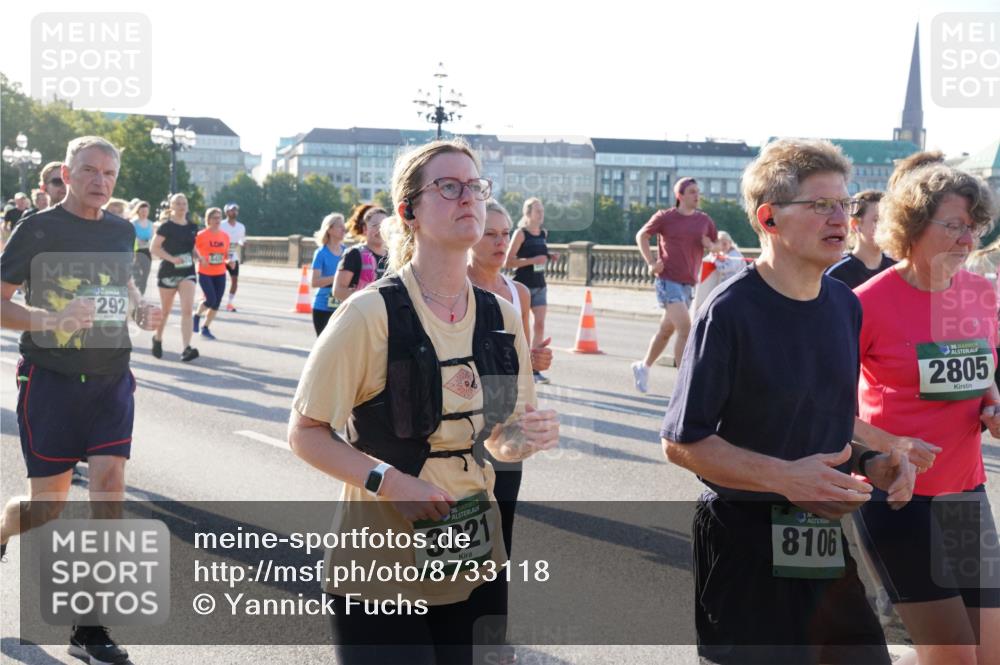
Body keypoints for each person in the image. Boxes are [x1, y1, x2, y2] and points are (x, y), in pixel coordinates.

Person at [288, 139, 559, 665]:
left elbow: (501, 441)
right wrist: (388, 481)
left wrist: (528, 437)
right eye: (449, 187)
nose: (469, 199)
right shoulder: (370, 314)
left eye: (476, 187)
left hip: (477, 557)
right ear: (409, 211)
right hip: (379, 567)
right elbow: (305, 432)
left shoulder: (502, 315)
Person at [661, 138, 914, 665]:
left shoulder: (844, 304)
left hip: (821, 542)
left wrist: (873, 463)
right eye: (820, 205)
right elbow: (682, 442)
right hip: (744, 542)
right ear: (769, 218)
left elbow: (819, 424)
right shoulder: (728, 311)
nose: (839, 217)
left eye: (842, 204)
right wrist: (783, 477)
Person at [0, 135, 162, 665]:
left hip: (112, 378)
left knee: (110, 489)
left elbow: (126, 289)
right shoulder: (38, 227)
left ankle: (89, 627)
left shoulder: (120, 231)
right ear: (67, 175)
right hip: (50, 380)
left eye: (110, 174)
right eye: (89, 171)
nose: (100, 181)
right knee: (46, 507)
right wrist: (51, 319)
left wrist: (141, 309)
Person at [850, 161, 1000, 665]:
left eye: (973, 226)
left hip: (966, 494)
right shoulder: (865, 303)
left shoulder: (982, 295)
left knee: (992, 652)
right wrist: (889, 445)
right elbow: (818, 404)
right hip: (899, 496)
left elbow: (984, 375)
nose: (966, 239)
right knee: (955, 657)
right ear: (912, 225)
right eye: (953, 225)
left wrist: (993, 406)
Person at [468, 198, 554, 560]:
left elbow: (513, 358)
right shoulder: (453, 288)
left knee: (503, 526)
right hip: (464, 422)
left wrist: (535, 359)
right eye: (489, 234)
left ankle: (493, 601)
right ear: (469, 237)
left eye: (505, 234)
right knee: (466, 528)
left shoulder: (517, 292)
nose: (501, 242)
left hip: (507, 422)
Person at [631, 177, 719, 393]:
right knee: (685, 328)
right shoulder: (665, 217)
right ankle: (684, 385)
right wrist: (652, 262)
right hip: (667, 280)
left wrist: (711, 245)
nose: (697, 196)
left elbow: (717, 246)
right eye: (692, 192)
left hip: (688, 283)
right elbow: (642, 235)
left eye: (698, 192)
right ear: (679, 196)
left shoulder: (704, 220)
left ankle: (643, 366)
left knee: (666, 330)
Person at [505, 197, 559, 384]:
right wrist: (532, 261)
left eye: (542, 211)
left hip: (540, 285)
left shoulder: (543, 233)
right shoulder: (521, 233)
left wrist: (548, 256)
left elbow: (539, 254)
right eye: (538, 211)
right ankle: (519, 367)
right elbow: (508, 261)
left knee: (540, 325)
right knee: (522, 329)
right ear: (527, 214)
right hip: (523, 286)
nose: (541, 214)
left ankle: (534, 370)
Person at [150, 193, 200, 361]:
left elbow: (190, 246)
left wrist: (198, 255)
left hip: (187, 271)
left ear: (187, 206)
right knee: (165, 311)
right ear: (171, 207)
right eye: (177, 203)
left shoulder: (193, 226)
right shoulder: (167, 227)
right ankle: (157, 338)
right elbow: (154, 248)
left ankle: (186, 348)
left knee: (187, 310)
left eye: (184, 202)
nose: (181, 205)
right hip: (168, 272)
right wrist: (172, 259)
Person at [825, 190, 896, 289]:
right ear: (855, 225)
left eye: (887, 220)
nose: (884, 226)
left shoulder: (897, 269)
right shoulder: (837, 273)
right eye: (876, 220)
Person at [333, 205, 389, 303]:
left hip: (385, 317)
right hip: (358, 315)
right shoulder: (354, 254)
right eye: (375, 225)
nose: (379, 230)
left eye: (383, 226)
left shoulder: (394, 256)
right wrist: (368, 300)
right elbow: (338, 291)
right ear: (365, 229)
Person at [193, 207, 231, 341]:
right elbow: (193, 251)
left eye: (219, 218)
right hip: (205, 272)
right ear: (208, 220)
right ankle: (197, 315)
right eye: (214, 218)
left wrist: (229, 261)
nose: (217, 220)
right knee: (211, 299)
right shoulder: (200, 235)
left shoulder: (225, 236)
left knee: (216, 303)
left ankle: (205, 328)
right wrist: (199, 258)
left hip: (220, 272)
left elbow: (225, 255)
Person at [690, 230, 746, 315]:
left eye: (725, 243)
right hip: (727, 288)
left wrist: (716, 260)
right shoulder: (721, 254)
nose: (722, 246)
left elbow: (724, 268)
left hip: (736, 289)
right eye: (720, 243)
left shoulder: (735, 255)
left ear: (730, 243)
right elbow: (706, 262)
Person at [310, 212, 347, 335]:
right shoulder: (321, 253)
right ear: (330, 229)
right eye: (340, 226)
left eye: (344, 226)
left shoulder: (348, 252)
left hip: (343, 306)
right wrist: (337, 277)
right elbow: (314, 282)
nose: (344, 229)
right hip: (322, 307)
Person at [219, 202, 246, 312]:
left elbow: (241, 240)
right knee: (218, 279)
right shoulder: (221, 224)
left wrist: (243, 243)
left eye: (235, 210)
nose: (234, 212)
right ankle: (210, 298)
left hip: (232, 255)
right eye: (231, 210)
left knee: (234, 280)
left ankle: (229, 303)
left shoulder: (241, 226)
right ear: (226, 212)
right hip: (219, 255)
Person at [130, 200, 154, 295]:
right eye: (142, 211)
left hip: (147, 252)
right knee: (137, 276)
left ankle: (141, 296)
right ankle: (135, 294)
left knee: (145, 276)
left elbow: (153, 238)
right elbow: (131, 238)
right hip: (135, 252)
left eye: (146, 211)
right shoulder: (133, 223)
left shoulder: (150, 224)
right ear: (138, 211)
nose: (144, 213)